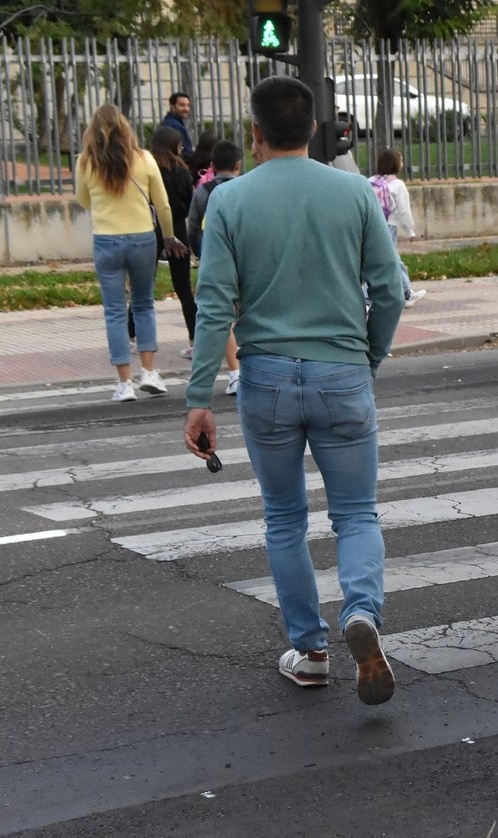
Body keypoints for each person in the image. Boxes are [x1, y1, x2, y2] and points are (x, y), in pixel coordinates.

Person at [182, 76, 405, 706]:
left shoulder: (229, 201)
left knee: (284, 518)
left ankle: (309, 651)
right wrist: (369, 355)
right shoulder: (354, 192)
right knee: (356, 512)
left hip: (268, 377)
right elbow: (389, 289)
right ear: (314, 129)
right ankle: (362, 611)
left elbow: (215, 304)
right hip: (342, 372)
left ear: (254, 134)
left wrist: (199, 396)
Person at [75, 104, 189, 403]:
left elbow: (83, 200)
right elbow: (162, 205)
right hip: (142, 239)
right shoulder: (145, 158)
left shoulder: (86, 162)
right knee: (143, 305)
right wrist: (168, 236)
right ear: (126, 128)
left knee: (114, 311)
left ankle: (124, 383)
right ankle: (150, 372)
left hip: (106, 240)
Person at [185, 139, 244, 392]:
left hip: (214, 259)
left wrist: (199, 252)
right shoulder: (246, 189)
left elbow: (192, 226)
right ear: (238, 165)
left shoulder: (202, 192)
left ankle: (234, 374)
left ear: (212, 165)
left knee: (222, 316)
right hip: (244, 258)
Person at [148, 126, 197, 358]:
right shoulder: (182, 170)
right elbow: (189, 201)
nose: (181, 148)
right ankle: (194, 337)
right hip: (178, 229)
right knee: (183, 287)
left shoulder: (150, 169)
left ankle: (132, 335)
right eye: (179, 144)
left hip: (153, 227)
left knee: (144, 285)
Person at [369, 147, 427, 309]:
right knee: (393, 260)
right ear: (396, 164)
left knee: (373, 261)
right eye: (400, 160)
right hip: (389, 226)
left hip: (371, 226)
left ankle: (374, 294)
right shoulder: (398, 185)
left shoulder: (369, 181)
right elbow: (403, 211)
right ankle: (406, 293)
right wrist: (410, 231)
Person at [161, 92, 195, 164]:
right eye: (182, 105)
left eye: (188, 105)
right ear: (172, 106)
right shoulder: (175, 126)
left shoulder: (169, 122)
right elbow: (184, 152)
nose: (186, 109)